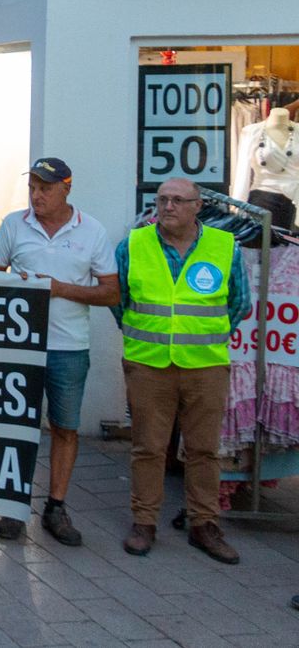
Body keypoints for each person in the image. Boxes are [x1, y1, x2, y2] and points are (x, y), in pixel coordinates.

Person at [0, 157, 119, 545]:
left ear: (67, 188)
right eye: (32, 187)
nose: (37, 195)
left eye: (45, 188)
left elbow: (111, 292)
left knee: (65, 428)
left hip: (69, 347)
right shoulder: (15, 224)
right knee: (19, 428)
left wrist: (61, 288)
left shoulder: (93, 231)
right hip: (20, 347)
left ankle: (56, 506)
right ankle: (14, 507)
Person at [114, 178, 247, 565]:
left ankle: (204, 523)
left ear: (197, 206)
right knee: (148, 447)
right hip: (148, 363)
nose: (168, 206)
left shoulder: (225, 247)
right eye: (162, 200)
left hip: (205, 366)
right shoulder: (134, 245)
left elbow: (239, 303)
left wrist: (202, 336)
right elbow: (118, 300)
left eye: (177, 200)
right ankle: (144, 522)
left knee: (205, 449)